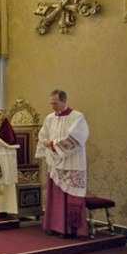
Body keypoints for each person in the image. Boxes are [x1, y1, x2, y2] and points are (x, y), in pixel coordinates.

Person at [36, 90, 89, 237]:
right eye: (51, 103)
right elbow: (42, 136)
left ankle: (71, 229)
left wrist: (53, 144)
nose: (52, 106)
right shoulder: (49, 118)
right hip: (54, 162)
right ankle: (55, 226)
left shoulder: (77, 117)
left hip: (72, 161)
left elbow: (77, 138)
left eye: (55, 103)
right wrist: (47, 144)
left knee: (71, 195)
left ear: (65, 101)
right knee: (55, 195)